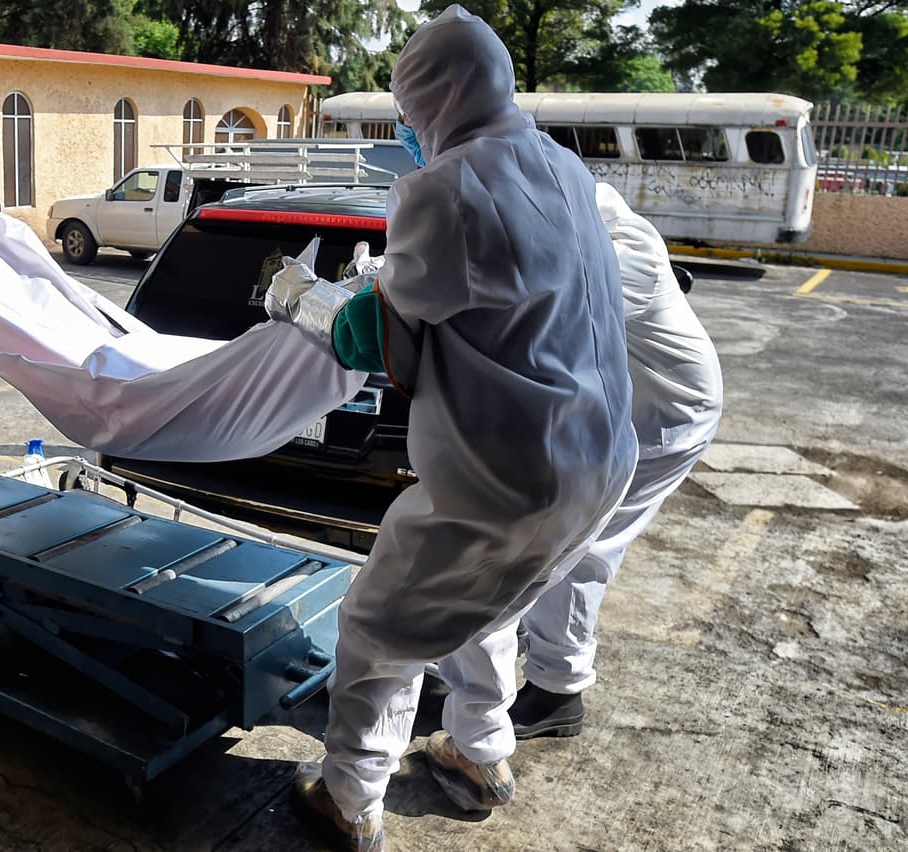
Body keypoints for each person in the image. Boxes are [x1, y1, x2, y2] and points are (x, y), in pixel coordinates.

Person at [262, 6, 638, 849]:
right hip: (601, 459)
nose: (409, 128)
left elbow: (381, 342)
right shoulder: (563, 169)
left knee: (377, 628)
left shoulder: (449, 189)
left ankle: (349, 798)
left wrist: (304, 302)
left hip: (513, 477)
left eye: (408, 110)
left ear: (434, 97)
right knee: (489, 605)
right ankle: (481, 754)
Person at [511, 183, 723, 738]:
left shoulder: (628, 253)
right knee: (543, 533)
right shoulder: (578, 232)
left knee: (585, 544)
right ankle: (519, 646)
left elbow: (547, 320)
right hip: (616, 407)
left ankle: (557, 692)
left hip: (665, 417)